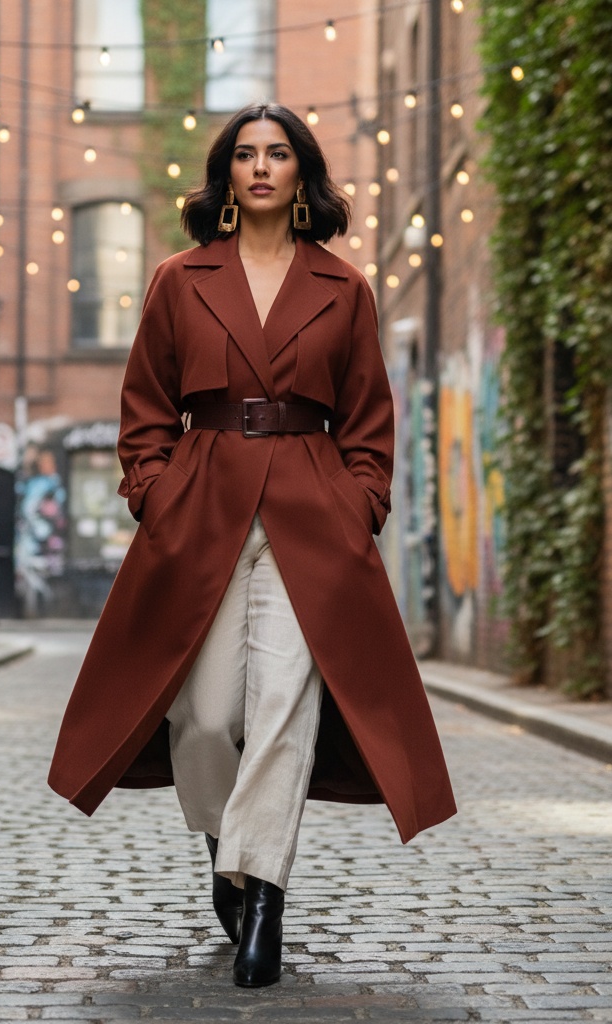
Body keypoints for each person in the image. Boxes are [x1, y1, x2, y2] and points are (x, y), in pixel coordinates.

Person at [48, 103, 456, 988]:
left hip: (311, 523)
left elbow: (370, 423)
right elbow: (144, 411)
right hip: (201, 518)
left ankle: (263, 893)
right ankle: (227, 852)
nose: (261, 167)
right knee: (200, 717)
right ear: (226, 176)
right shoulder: (177, 279)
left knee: (282, 709)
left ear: (301, 174)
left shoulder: (343, 288)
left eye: (278, 154)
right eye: (245, 155)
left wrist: (360, 506)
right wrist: (155, 497)